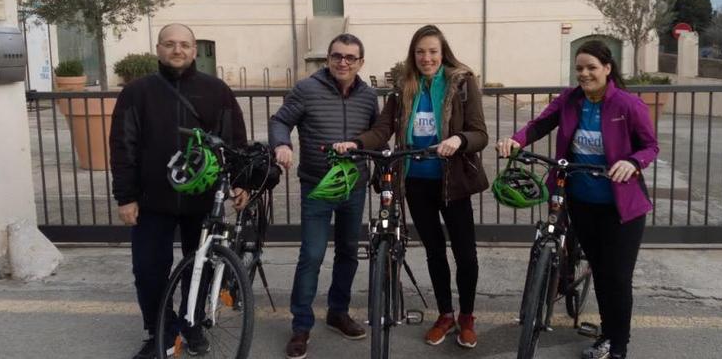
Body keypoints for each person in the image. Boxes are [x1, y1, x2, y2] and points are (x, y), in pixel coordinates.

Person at [497, 40, 658, 359]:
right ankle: (605, 330)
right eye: (579, 69)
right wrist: (515, 141)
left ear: (607, 69)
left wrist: (633, 162)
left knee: (617, 276)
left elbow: (650, 146)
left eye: (591, 68)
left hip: (621, 207)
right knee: (599, 270)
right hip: (581, 200)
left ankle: (618, 344)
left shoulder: (628, 105)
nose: (584, 74)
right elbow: (540, 124)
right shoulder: (570, 100)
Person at [333, 24, 489, 349]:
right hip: (417, 182)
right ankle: (445, 314)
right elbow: (382, 128)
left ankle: (467, 317)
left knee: (466, 254)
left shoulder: (461, 83)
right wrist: (356, 142)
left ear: (442, 52)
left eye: (432, 51)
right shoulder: (404, 87)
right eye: (420, 52)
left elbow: (479, 133)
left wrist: (459, 139)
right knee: (434, 252)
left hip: (453, 183)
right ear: (412, 55)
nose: (426, 58)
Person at [111, 23, 249, 359]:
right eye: (170, 44)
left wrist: (242, 180)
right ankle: (159, 329)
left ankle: (193, 325)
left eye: (185, 44)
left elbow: (235, 141)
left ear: (194, 50)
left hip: (202, 200)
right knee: (148, 270)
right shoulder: (138, 92)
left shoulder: (216, 90)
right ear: (158, 49)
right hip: (151, 200)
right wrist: (125, 196)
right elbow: (123, 145)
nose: (178, 50)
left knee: (199, 269)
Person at [269, 34, 379, 359]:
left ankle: (338, 312)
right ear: (328, 59)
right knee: (312, 255)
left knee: (348, 252)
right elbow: (280, 120)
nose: (343, 62)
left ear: (360, 62)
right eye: (337, 56)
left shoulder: (369, 96)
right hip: (317, 186)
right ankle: (301, 326)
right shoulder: (307, 89)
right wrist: (282, 144)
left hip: (353, 186)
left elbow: (378, 132)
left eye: (350, 57)